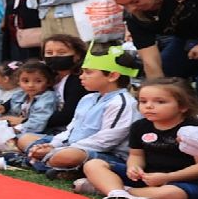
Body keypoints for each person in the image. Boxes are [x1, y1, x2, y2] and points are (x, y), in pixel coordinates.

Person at [82, 77, 198, 199]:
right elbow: (136, 155)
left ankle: (117, 191)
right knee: (93, 164)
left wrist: (168, 177)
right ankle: (120, 192)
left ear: (183, 106)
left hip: (185, 181)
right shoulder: (139, 126)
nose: (148, 106)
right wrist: (134, 167)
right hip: (148, 177)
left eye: (160, 102)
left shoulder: (195, 129)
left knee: (173, 194)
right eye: (143, 101)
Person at [100, 0, 198, 107]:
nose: (132, 9)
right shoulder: (135, 17)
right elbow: (150, 60)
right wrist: (156, 95)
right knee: (165, 77)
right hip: (189, 38)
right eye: (124, 5)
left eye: (135, 1)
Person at [27, 44, 140, 178]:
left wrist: (60, 149)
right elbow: (71, 129)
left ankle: (51, 163)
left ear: (112, 76)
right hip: (72, 145)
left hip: (108, 154)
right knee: (26, 139)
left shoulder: (122, 102)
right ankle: (57, 165)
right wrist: (52, 144)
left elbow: (106, 141)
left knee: (67, 156)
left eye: (88, 72)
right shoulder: (88, 98)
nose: (82, 76)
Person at [16, 34, 89, 152]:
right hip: (41, 125)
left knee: (22, 139)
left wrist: (26, 121)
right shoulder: (47, 76)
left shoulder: (78, 80)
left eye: (61, 53)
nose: (54, 57)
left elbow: (67, 116)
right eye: (49, 53)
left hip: (64, 131)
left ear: (77, 56)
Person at [0, 60, 58, 136]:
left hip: (38, 134)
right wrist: (1, 109)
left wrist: (16, 128)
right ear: (19, 82)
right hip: (18, 130)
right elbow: (11, 115)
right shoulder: (20, 94)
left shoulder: (47, 97)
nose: (31, 85)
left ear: (48, 82)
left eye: (38, 81)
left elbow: (38, 123)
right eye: (26, 81)